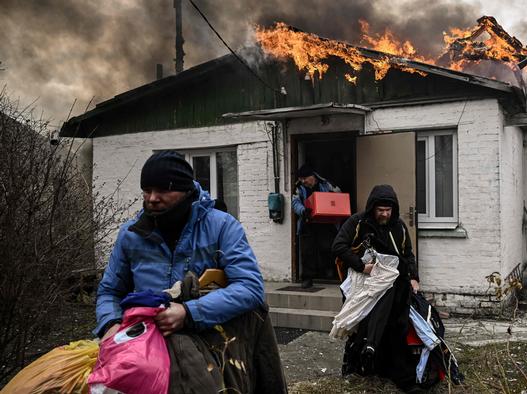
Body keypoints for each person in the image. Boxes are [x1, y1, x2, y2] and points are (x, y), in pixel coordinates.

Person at [94, 150, 286, 393]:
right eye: (147, 190)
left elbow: (250, 287)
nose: (152, 198)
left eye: (163, 190)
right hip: (143, 344)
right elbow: (110, 291)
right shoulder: (131, 234)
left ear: (186, 190)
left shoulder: (221, 226)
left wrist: (189, 312)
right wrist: (110, 323)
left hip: (210, 340)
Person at [332, 184, 421, 392]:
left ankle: (391, 372)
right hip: (361, 289)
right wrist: (363, 267)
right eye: (380, 210)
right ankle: (355, 370)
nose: (384, 214)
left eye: (388, 210)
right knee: (359, 329)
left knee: (395, 329)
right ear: (372, 208)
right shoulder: (357, 223)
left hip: (393, 288)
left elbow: (407, 254)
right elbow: (338, 246)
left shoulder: (399, 226)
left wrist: (414, 277)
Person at [291, 164, 340, 288]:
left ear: (312, 176)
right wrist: (303, 211)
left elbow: (338, 195)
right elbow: (295, 202)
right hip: (307, 223)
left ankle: (328, 270)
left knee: (327, 247)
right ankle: (307, 278)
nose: (303, 181)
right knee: (307, 252)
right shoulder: (299, 188)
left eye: (304, 178)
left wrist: (334, 191)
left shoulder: (325, 184)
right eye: (301, 179)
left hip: (325, 223)